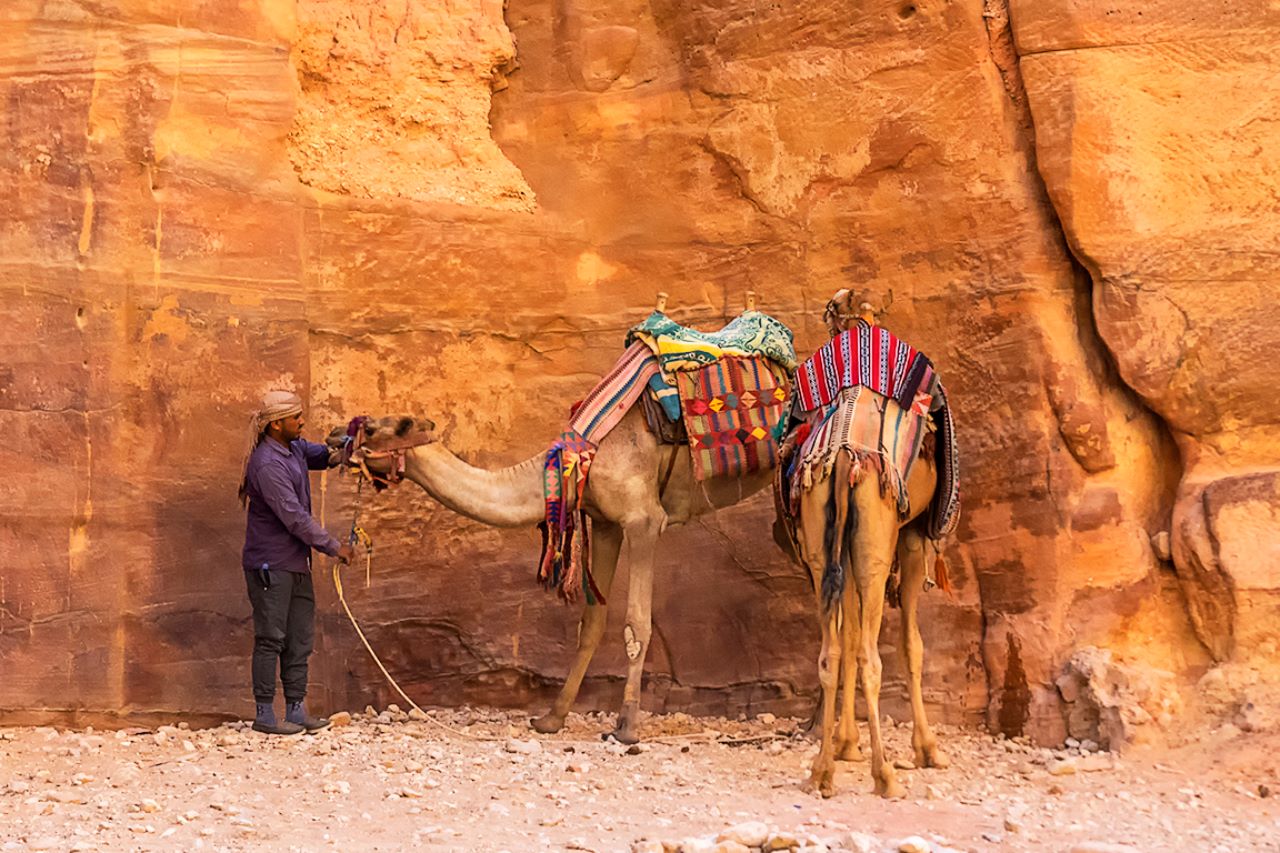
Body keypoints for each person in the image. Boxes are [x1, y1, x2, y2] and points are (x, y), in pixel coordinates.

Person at [238, 390, 354, 735]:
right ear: (276, 424)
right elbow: (294, 518)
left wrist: (348, 446)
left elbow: (322, 456)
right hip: (270, 566)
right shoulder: (267, 464)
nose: (302, 422)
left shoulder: (293, 448)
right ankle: (265, 715)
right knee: (271, 638)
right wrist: (334, 547)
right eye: (296, 418)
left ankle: (297, 709)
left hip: (295, 563)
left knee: (299, 638)